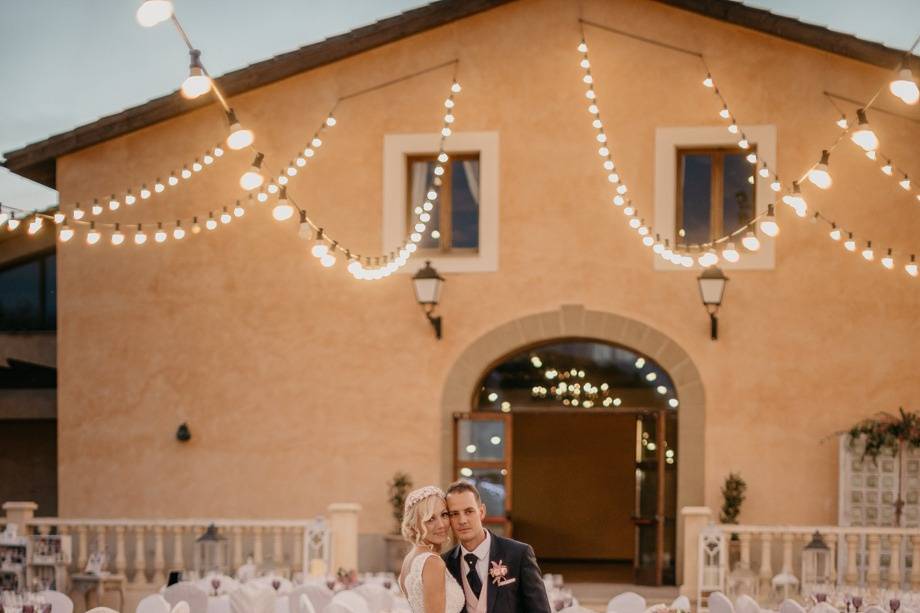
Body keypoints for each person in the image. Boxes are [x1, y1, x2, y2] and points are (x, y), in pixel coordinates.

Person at [443, 480, 552, 613]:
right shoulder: (445, 563)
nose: (462, 521)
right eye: (454, 514)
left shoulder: (518, 554)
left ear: (482, 512)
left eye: (469, 511)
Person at [399, 485, 466, 613]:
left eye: (444, 515)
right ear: (414, 525)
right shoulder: (432, 563)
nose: (441, 525)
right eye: (430, 519)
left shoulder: (410, 558)